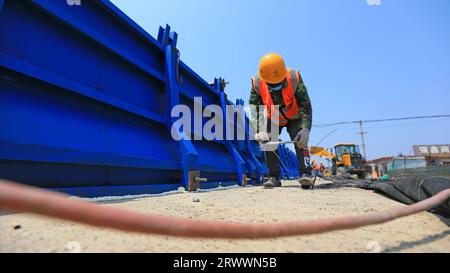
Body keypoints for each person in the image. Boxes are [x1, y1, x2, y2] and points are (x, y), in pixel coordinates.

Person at [249, 53, 313, 189]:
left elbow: (305, 105)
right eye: (272, 84)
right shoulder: (257, 83)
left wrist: (305, 128)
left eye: (279, 83)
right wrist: (259, 130)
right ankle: (274, 177)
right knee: (268, 143)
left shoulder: (294, 77)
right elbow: (255, 109)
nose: (276, 86)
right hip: (274, 117)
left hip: (294, 115)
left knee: (300, 140)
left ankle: (306, 174)